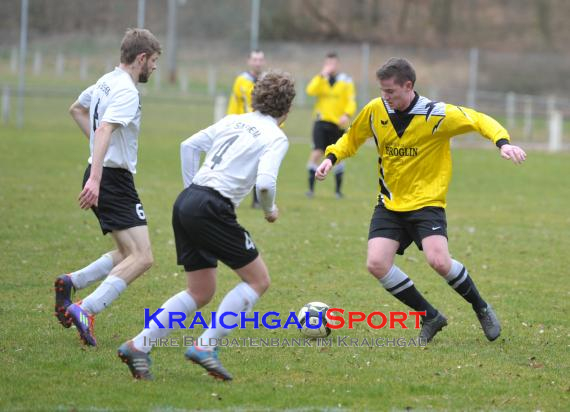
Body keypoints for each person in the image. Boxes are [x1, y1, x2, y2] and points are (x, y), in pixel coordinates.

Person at [316, 57, 526, 343]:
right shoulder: (376, 110)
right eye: (382, 91)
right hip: (390, 203)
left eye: (390, 91)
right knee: (376, 263)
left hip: (427, 202)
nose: (385, 97)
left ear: (408, 86)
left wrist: (502, 142)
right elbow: (350, 139)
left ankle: (481, 307)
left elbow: (478, 119)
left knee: (439, 261)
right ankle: (430, 316)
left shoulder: (435, 115)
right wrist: (331, 157)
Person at [117, 71, 296, 381]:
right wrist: (270, 211)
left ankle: (138, 345)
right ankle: (206, 345)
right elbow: (265, 184)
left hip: (187, 202)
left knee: (201, 290)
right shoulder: (276, 136)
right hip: (212, 207)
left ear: (254, 97)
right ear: (287, 109)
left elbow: (188, 146)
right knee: (258, 280)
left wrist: (194, 191)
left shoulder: (232, 120)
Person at [54, 28, 161, 346]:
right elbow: (103, 131)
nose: (154, 67)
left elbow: (77, 108)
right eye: (153, 61)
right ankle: (85, 309)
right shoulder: (127, 91)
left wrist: (97, 159)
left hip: (106, 174)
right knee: (143, 258)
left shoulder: (105, 81)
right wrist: (97, 178)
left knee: (128, 252)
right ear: (141, 58)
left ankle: (72, 282)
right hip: (112, 179)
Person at [306, 52, 356, 198]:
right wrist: (322, 75)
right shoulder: (321, 79)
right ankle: (310, 189)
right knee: (317, 152)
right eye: (328, 63)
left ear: (338, 64)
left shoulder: (346, 80)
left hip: (338, 124)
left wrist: (346, 114)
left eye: (333, 63)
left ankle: (338, 191)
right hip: (321, 121)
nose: (331, 66)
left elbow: (351, 100)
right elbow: (310, 90)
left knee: (338, 154)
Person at [227, 49, 266, 208]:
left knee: (260, 164)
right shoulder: (241, 80)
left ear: (263, 62)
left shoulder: (267, 80)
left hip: (263, 130)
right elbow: (235, 102)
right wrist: (231, 123)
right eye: (255, 59)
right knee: (240, 163)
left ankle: (257, 200)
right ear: (249, 61)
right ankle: (230, 194)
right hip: (244, 129)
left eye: (260, 60)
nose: (257, 63)